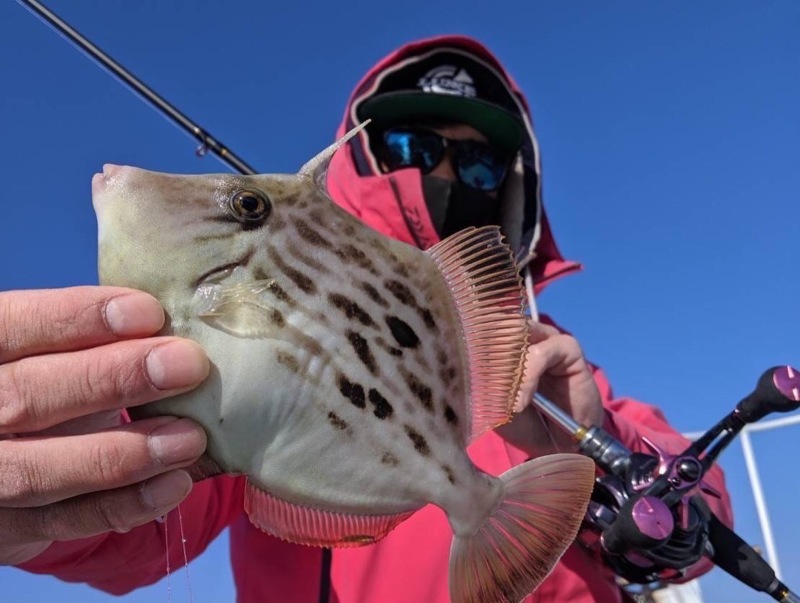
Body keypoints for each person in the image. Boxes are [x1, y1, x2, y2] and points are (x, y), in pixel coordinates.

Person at [3, 35, 732, 602]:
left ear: (512, 188)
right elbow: (147, 525)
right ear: (365, 159)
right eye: (414, 147)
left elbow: (707, 518)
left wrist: (604, 448)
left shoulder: (560, 371)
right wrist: (54, 478)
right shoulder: (238, 322)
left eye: (479, 164)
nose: (443, 175)